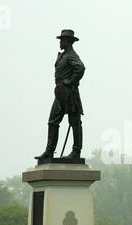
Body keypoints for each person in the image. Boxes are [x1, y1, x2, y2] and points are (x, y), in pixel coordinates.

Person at [36, 29, 85, 159]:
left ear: (68, 42)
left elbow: (80, 67)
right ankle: (49, 150)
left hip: (68, 91)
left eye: (62, 40)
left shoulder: (71, 55)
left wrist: (71, 81)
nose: (60, 42)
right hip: (59, 91)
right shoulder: (63, 55)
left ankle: (76, 151)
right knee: (53, 121)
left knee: (74, 121)